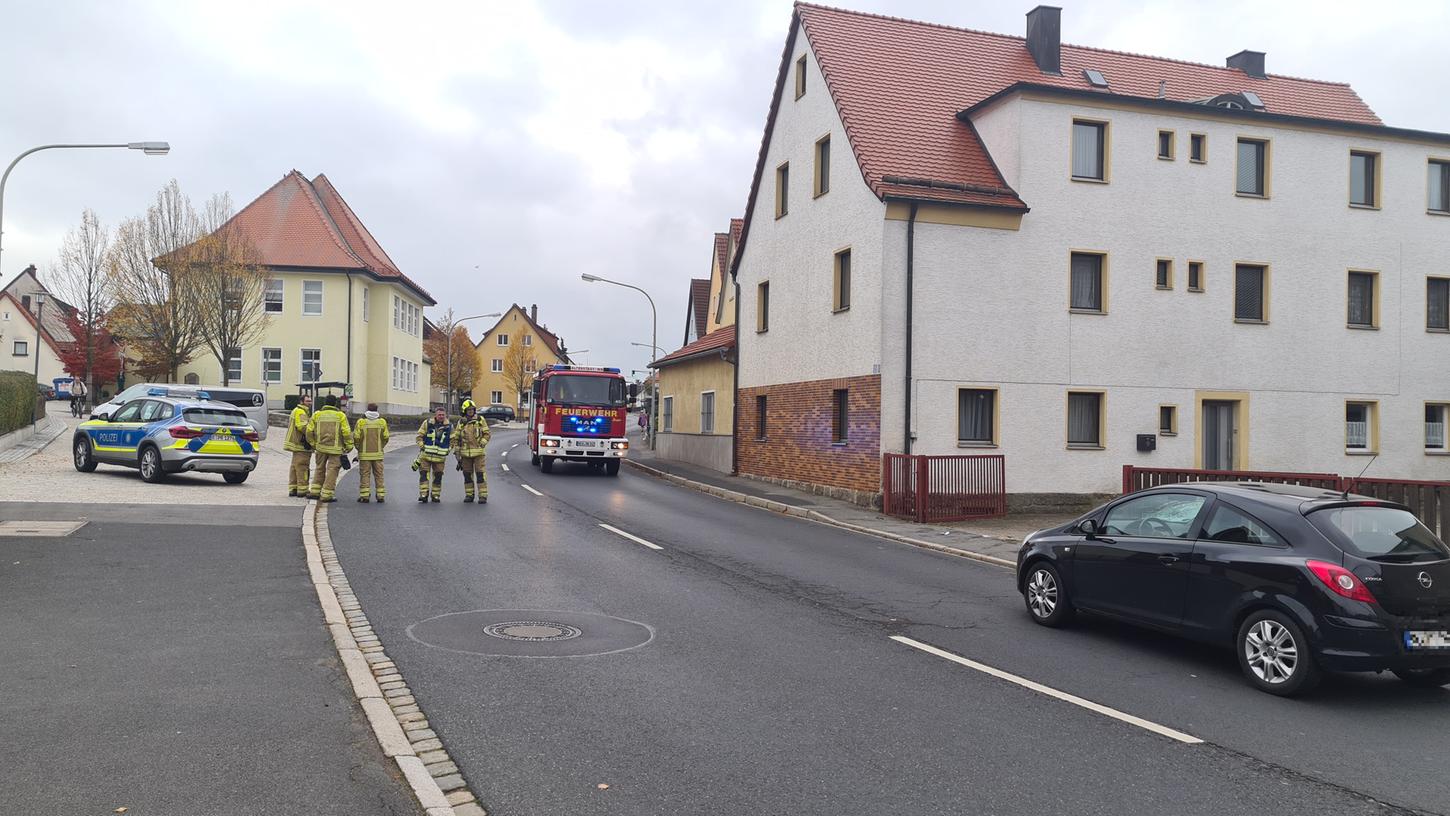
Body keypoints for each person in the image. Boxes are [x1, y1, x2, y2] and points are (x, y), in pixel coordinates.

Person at [306, 395, 354, 502]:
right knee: (332, 470)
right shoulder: (340, 416)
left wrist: (313, 444)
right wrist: (349, 446)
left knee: (319, 468)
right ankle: (327, 494)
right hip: (335, 449)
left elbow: (309, 431)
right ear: (335, 404)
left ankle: (315, 491)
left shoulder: (317, 414)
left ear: (325, 403)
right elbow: (346, 432)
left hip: (320, 448)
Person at [455, 400, 490, 504]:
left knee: (480, 474)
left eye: (472, 409)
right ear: (464, 411)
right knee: (467, 475)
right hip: (465, 455)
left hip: (479, 454)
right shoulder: (461, 422)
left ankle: (483, 496)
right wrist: (457, 451)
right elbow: (456, 437)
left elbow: (487, 433)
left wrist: (482, 443)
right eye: (468, 410)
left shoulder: (480, 420)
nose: (470, 411)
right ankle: (469, 495)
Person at [415, 407, 452, 503]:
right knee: (424, 475)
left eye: (443, 415)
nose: (441, 416)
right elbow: (419, 436)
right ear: (435, 415)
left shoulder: (449, 426)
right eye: (439, 415)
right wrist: (422, 445)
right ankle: (423, 494)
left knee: (438, 477)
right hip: (426, 456)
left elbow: (453, 440)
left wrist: (449, 449)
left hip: (440, 457)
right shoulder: (427, 423)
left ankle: (435, 495)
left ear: (445, 415)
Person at [354, 403, 389, 503]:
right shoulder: (382, 422)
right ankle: (380, 496)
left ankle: (364, 496)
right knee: (379, 475)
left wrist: (359, 448)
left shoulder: (361, 422)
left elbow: (356, 437)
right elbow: (386, 437)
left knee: (365, 475)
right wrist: (380, 446)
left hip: (364, 455)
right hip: (378, 455)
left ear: (367, 410)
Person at [284, 394, 314, 498]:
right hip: (301, 445)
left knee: (294, 467)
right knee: (302, 467)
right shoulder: (301, 412)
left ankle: (293, 488)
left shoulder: (296, 410)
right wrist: (313, 433)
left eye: (310, 401)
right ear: (302, 402)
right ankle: (302, 490)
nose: (310, 403)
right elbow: (302, 427)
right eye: (307, 401)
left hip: (295, 444)